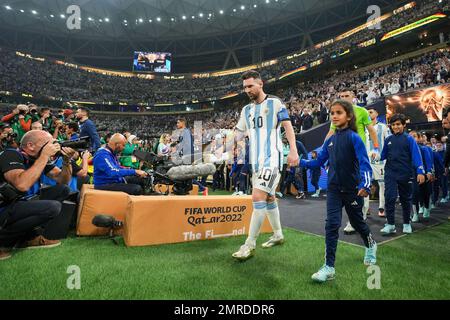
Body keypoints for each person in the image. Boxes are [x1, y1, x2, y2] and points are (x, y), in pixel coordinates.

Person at [299, 100, 377, 283]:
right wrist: (301, 162)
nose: (334, 116)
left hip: (352, 191)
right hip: (333, 190)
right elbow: (318, 162)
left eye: (339, 112)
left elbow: (365, 164)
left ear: (348, 116)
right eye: (332, 113)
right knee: (332, 225)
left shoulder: (354, 138)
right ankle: (329, 267)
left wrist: (365, 185)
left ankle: (371, 245)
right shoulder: (331, 140)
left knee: (358, 223)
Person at [231, 70, 299, 261]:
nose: (247, 90)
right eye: (245, 87)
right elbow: (238, 133)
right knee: (268, 198)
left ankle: (249, 245)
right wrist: (230, 144)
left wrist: (293, 150)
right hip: (256, 162)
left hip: (272, 159)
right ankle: (278, 234)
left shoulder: (274, 103)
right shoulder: (246, 110)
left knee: (257, 196)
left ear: (261, 84)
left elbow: (287, 126)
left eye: (250, 85)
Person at [0, 130, 75, 260]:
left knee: (63, 190)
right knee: (52, 207)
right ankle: (3, 242)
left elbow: (63, 180)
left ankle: (28, 238)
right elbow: (22, 184)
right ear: (30, 146)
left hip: (21, 203)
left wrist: (66, 161)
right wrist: (44, 156)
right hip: (4, 208)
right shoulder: (10, 154)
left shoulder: (38, 159)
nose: (53, 146)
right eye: (48, 143)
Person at [325, 89, 380, 234]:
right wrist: (323, 151)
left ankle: (356, 219)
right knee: (349, 187)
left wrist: (375, 148)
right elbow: (331, 133)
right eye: (341, 96)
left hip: (359, 153)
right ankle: (357, 218)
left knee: (362, 184)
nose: (344, 98)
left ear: (353, 97)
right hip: (344, 153)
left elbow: (371, 130)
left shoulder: (362, 111)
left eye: (346, 96)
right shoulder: (338, 113)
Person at [380, 114, 425, 235]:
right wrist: (376, 154)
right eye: (393, 124)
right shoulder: (388, 139)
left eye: (398, 124)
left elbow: (416, 155)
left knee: (406, 199)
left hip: (405, 173)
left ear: (404, 125)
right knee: (389, 198)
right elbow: (383, 155)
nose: (395, 127)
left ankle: (406, 223)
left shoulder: (409, 139)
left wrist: (420, 171)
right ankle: (390, 224)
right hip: (390, 173)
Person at [365, 107, 390, 217]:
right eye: (368, 112)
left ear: (377, 113)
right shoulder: (364, 128)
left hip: (380, 161)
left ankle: (381, 208)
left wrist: (387, 157)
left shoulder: (383, 127)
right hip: (366, 160)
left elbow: (388, 142)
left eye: (371, 111)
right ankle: (366, 208)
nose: (369, 113)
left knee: (382, 184)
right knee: (365, 184)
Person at [409, 131, 434, 222]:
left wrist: (428, 172)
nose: (412, 138)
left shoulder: (424, 149)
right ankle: (415, 214)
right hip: (412, 175)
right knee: (414, 193)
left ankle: (426, 207)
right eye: (410, 136)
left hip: (423, 174)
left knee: (425, 193)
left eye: (414, 136)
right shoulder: (407, 150)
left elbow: (428, 162)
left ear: (419, 138)